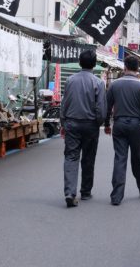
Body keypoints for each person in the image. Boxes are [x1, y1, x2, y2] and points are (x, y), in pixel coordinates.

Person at [105, 56, 140, 206]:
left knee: (120, 159)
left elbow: (107, 106)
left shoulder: (114, 85)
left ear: (125, 67)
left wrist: (107, 123)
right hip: (136, 126)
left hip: (119, 125)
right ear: (137, 68)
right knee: (137, 159)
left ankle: (116, 196)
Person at [60, 50, 107, 208]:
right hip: (90, 124)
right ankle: (85, 191)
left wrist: (63, 123)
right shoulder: (99, 82)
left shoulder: (70, 80)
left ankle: (69, 192)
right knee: (88, 158)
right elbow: (101, 107)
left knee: (71, 157)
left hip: (72, 123)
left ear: (80, 63)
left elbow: (64, 103)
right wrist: (99, 122)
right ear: (94, 64)